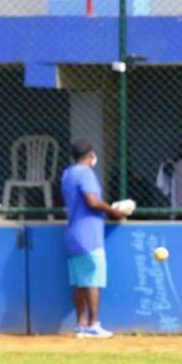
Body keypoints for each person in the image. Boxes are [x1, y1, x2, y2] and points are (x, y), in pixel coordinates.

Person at [61, 139, 126, 339]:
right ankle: (93, 324)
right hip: (88, 235)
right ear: (90, 156)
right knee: (92, 281)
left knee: (79, 281)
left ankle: (80, 324)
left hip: (72, 233)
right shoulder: (85, 173)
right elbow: (92, 201)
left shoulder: (67, 173)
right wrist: (114, 211)